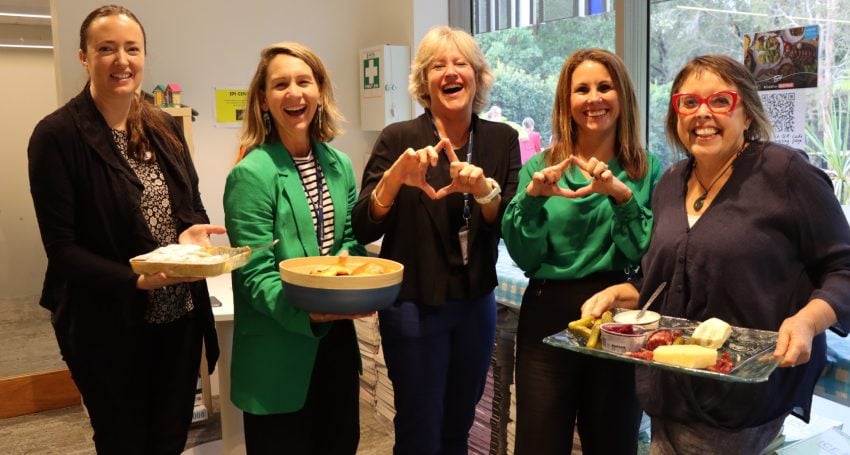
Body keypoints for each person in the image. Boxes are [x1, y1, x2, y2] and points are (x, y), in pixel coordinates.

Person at [581, 55, 850, 454]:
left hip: (738, 392)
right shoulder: (672, 181)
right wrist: (625, 292)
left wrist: (809, 321)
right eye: (688, 102)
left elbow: (843, 267)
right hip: (666, 386)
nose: (702, 114)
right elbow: (677, 275)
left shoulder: (784, 173)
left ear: (747, 114)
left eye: (720, 101)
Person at [26, 5, 224, 453]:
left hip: (177, 319)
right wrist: (135, 278)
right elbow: (62, 249)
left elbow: (189, 206)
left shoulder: (164, 127)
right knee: (124, 441)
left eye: (132, 49)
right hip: (106, 325)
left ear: (144, 55)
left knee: (171, 438)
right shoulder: (57, 136)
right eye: (106, 49)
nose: (122, 61)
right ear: (83, 57)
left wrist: (190, 236)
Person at [351, 26, 520, 454]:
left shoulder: (502, 140)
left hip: (475, 305)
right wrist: (394, 181)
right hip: (413, 306)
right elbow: (364, 227)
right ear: (424, 81)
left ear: (477, 76)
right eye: (437, 65)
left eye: (460, 63)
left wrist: (485, 191)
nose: (450, 71)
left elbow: (510, 223)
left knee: (457, 430)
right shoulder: (399, 139)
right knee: (419, 430)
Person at [501, 48, 662, 454]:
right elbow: (526, 256)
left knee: (613, 441)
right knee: (538, 442)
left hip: (621, 318)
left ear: (622, 95)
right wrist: (534, 198)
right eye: (582, 89)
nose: (594, 98)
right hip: (547, 314)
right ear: (566, 101)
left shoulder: (647, 171)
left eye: (605, 87)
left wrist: (621, 197)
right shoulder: (539, 168)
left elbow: (647, 251)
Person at [223, 42, 368, 455]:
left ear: (320, 91)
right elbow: (255, 273)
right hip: (277, 350)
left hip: (336, 345)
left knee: (341, 445)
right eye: (280, 84)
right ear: (264, 101)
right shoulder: (251, 174)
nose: (294, 93)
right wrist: (310, 312)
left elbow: (350, 242)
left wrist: (353, 279)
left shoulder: (338, 164)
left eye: (304, 81)